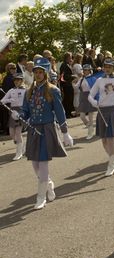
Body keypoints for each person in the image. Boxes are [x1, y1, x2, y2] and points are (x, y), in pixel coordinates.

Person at [11, 58, 73, 210]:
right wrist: (18, 115)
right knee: (35, 163)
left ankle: (41, 197)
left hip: (47, 128)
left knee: (43, 162)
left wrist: (65, 133)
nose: (38, 75)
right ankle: (49, 185)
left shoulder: (53, 90)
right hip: (33, 129)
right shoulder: (29, 91)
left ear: (45, 73)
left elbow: (60, 112)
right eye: (36, 72)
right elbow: (26, 111)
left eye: (40, 72)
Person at [0, 73, 26, 160]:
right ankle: (22, 145)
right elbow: (3, 100)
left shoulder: (25, 90)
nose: (16, 82)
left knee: (18, 133)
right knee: (12, 134)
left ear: (22, 81)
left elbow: (29, 102)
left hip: (22, 112)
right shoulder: (11, 90)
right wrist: (9, 100)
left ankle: (19, 153)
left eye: (18, 80)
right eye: (15, 80)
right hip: (12, 112)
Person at [73, 64, 97, 139]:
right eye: (84, 70)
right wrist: (73, 83)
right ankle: (90, 127)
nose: (85, 71)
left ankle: (90, 132)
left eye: (86, 70)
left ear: (89, 70)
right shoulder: (82, 79)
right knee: (82, 116)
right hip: (83, 97)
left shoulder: (93, 78)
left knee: (90, 116)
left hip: (90, 96)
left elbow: (95, 88)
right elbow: (76, 87)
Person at [60, 52, 75, 118]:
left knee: (70, 99)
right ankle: (67, 113)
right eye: (70, 57)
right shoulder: (63, 65)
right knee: (67, 99)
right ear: (67, 57)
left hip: (69, 84)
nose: (71, 58)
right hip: (66, 85)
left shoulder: (68, 64)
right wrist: (72, 76)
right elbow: (63, 76)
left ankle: (70, 112)